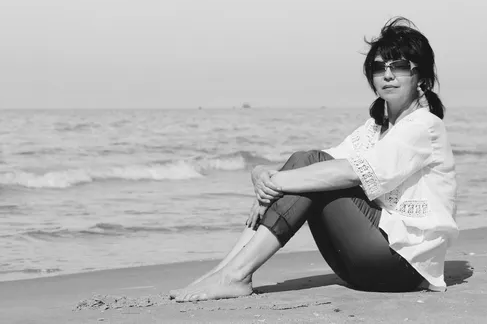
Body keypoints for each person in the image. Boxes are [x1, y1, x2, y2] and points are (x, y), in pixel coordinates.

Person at [170, 17, 458, 302]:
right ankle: (225, 271)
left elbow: (350, 173)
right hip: (361, 265)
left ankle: (235, 275)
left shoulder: (424, 126)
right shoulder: (374, 130)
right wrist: (263, 174)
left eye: (399, 66)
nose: (388, 75)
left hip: (403, 265)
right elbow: (319, 163)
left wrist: (277, 182)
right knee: (305, 162)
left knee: (308, 168)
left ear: (420, 75)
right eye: (379, 67)